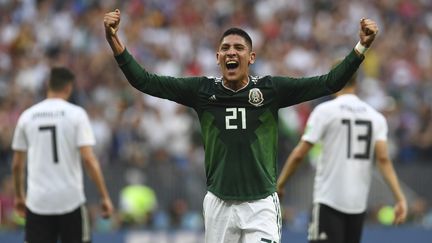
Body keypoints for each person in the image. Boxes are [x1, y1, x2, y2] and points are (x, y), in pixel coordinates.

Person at [104, 9, 378, 243]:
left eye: (238, 48)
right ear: (217, 57)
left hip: (260, 204)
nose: (231, 52)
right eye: (225, 48)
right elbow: (145, 81)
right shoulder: (202, 90)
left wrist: (361, 48)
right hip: (219, 204)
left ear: (251, 57)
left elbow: (329, 82)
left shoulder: (271, 90)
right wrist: (114, 40)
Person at [277, 65, 408, 243]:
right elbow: (383, 159)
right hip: (357, 205)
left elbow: (300, 153)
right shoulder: (375, 117)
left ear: (335, 78)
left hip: (329, 200)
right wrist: (400, 198)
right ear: (357, 81)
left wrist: (281, 183)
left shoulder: (325, 111)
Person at [11, 67, 114, 243]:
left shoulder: (27, 117)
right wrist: (104, 196)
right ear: (68, 88)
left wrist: (20, 196)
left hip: (38, 201)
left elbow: (17, 165)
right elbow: (89, 159)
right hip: (70, 199)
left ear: (48, 86)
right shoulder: (76, 115)